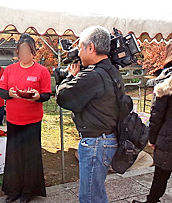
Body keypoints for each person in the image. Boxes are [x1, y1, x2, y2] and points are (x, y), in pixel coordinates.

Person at [56, 26, 124, 203]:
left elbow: (63, 97)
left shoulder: (93, 76)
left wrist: (70, 77)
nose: (78, 53)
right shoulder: (111, 70)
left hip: (96, 143)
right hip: (107, 138)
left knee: (90, 197)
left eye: (80, 48)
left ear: (91, 48)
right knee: (96, 193)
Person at [0, 33, 51, 203]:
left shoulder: (42, 71)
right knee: (14, 155)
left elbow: (46, 95)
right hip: (13, 119)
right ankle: (13, 190)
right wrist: (10, 94)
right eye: (21, 51)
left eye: (27, 51)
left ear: (33, 52)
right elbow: (1, 92)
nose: (24, 54)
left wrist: (37, 96)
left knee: (30, 156)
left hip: (32, 120)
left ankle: (29, 191)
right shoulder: (10, 69)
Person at [133, 42, 172, 203]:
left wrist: (153, 138)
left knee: (161, 177)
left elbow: (157, 114)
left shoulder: (166, 79)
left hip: (168, 138)